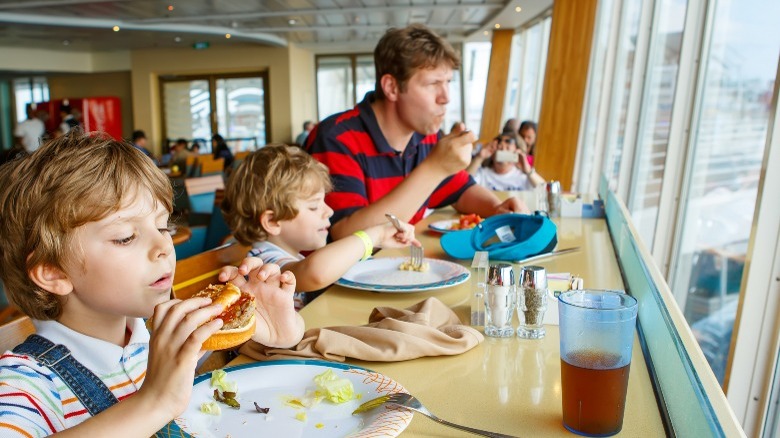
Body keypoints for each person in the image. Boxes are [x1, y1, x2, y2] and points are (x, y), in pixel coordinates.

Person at [0, 131, 305, 435]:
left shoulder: (152, 336)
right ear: (55, 272)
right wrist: (154, 401)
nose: (163, 246)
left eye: (163, 226)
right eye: (126, 237)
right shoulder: (25, 384)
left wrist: (273, 329)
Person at [306, 24, 528, 240]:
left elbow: (460, 190)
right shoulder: (335, 138)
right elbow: (345, 235)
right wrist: (434, 168)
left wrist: (497, 208)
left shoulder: (425, 135)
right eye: (433, 84)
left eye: (448, 82)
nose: (446, 97)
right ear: (392, 87)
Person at [222, 144, 418, 310]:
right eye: (314, 206)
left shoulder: (288, 256)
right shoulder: (263, 264)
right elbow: (315, 272)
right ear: (272, 222)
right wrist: (374, 236)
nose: (329, 211)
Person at [466, 132, 545, 191]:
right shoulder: (483, 174)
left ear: (516, 151)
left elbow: (544, 190)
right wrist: (480, 157)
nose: (503, 149)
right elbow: (463, 185)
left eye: (507, 148)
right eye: (500, 148)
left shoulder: (523, 177)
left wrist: (528, 170)